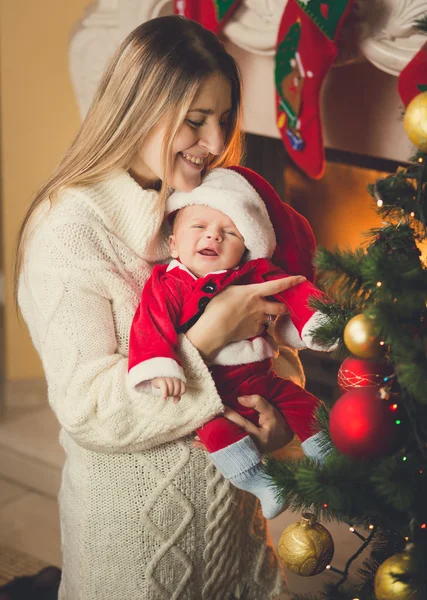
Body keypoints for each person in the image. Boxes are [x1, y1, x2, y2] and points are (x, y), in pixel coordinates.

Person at [16, 15, 315, 600]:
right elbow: (90, 409)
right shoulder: (69, 231)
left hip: (236, 535)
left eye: (224, 119)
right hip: (139, 550)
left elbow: (264, 333)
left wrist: (278, 423)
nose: (213, 143)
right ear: (137, 110)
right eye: (195, 120)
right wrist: (204, 336)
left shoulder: (215, 206)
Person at [128, 168, 334, 520]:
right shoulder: (167, 284)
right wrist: (161, 366)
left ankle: (333, 459)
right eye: (199, 227)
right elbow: (150, 326)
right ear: (174, 244)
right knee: (214, 430)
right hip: (212, 393)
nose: (213, 237)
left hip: (260, 380)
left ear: (245, 248)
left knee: (306, 404)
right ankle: (257, 481)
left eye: (229, 232)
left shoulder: (253, 274)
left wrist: (316, 319)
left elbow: (295, 287)